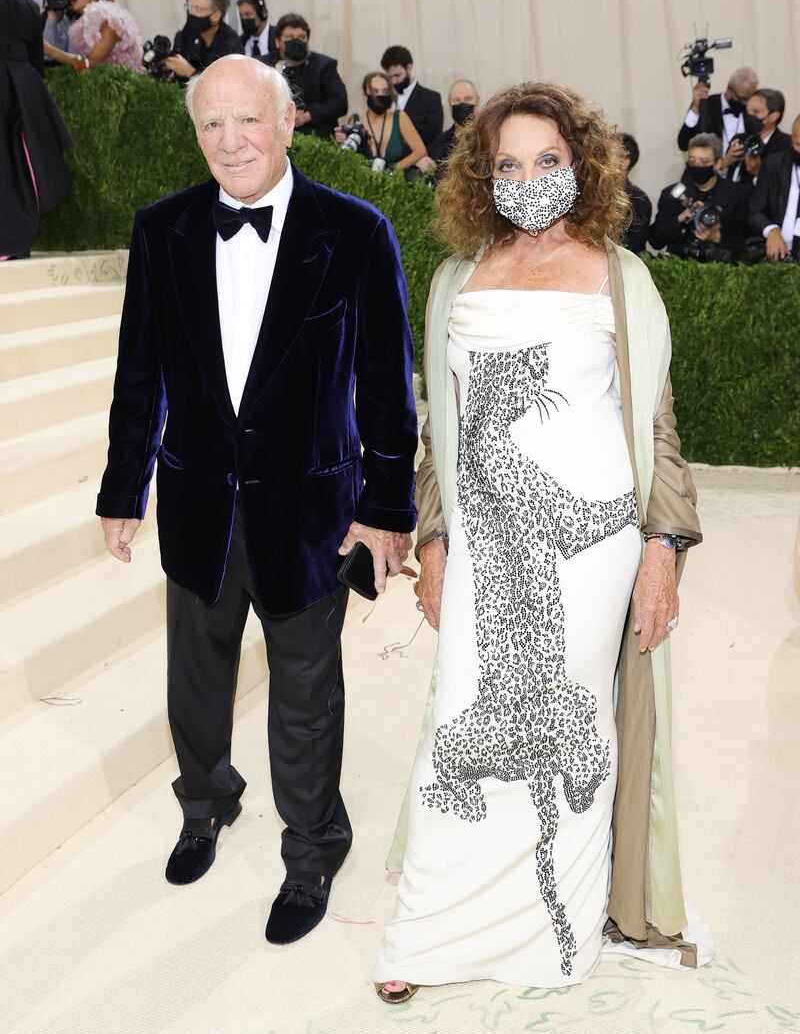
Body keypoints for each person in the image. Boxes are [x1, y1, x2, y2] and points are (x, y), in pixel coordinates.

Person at [375, 81, 707, 1003]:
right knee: (461, 721)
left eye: (547, 161)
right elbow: (437, 426)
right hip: (483, 544)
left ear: (581, 167)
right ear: (483, 176)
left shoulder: (621, 276)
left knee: (573, 720)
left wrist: (660, 546)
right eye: (507, 164)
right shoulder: (455, 280)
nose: (527, 179)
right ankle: (431, 930)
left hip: (594, 544)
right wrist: (434, 540)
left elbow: (660, 428)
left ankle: (553, 932)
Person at [95, 54, 417, 946]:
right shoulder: (161, 229)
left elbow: (389, 389)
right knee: (195, 680)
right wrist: (125, 488)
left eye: (248, 121)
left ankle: (313, 848)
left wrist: (388, 508)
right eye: (211, 124)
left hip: (310, 513)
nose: (230, 141)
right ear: (194, 134)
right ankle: (205, 804)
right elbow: (139, 373)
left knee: (306, 694)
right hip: (198, 500)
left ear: (287, 125)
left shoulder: (356, 231)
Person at [1, 0, 71, 260]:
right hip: (22, 89)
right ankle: (14, 240)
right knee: (19, 166)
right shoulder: (26, 5)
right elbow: (36, 61)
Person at [649, 133, 750, 261]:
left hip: (721, 270)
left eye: (704, 162)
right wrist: (679, 219)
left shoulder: (737, 194)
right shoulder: (672, 194)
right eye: (692, 161)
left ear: (718, 163)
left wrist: (717, 237)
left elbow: (745, 242)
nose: (697, 166)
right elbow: (655, 240)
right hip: (678, 268)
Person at [271, 12, 346, 139]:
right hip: (275, 137)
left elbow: (340, 103)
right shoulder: (264, 66)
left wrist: (307, 116)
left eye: (302, 37)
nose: (296, 41)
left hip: (315, 138)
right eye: (290, 37)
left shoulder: (324, 66)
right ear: (278, 42)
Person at [677, 67, 758, 180]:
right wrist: (695, 109)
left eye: (750, 98)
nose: (746, 103)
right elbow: (683, 143)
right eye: (742, 99)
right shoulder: (706, 105)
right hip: (707, 182)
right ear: (729, 91)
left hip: (742, 183)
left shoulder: (753, 111)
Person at [334, 71, 426, 171]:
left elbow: (420, 151)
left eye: (385, 91)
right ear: (365, 96)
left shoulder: (399, 117)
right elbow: (346, 156)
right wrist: (341, 140)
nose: (381, 96)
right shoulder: (355, 120)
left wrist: (393, 169)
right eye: (375, 91)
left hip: (395, 182)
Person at [42, 0, 143, 70]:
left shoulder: (110, 18)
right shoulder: (73, 22)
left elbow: (89, 65)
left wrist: (51, 51)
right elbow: (47, 58)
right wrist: (53, 18)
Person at [748, 115, 800, 261]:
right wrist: (771, 230)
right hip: (779, 258)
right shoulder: (774, 165)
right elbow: (755, 211)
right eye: (797, 144)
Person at [166, 0, 243, 83]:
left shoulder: (231, 46)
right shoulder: (186, 35)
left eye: (198, 8)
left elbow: (227, 87)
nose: (190, 12)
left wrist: (191, 73)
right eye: (190, 6)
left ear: (215, 16)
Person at [380, 44, 443, 153]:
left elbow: (433, 135)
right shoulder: (384, 99)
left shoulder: (431, 99)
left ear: (409, 68)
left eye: (397, 75)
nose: (393, 81)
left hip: (419, 164)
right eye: (390, 77)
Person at [418, 79, 480, 177]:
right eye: (456, 100)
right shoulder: (438, 143)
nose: (462, 104)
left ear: (478, 100)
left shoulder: (489, 136)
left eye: (468, 99)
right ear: (450, 105)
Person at [740, 89, 792, 185]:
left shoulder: (788, 145)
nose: (749, 116)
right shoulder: (739, 139)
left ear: (773, 116)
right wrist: (726, 163)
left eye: (755, 112)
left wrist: (759, 173)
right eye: (747, 111)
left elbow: (784, 186)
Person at [618, 132, 651, 254]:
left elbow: (634, 246)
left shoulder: (638, 199)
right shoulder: (590, 193)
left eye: (608, 152)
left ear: (625, 161)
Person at [238, 0, 276, 64]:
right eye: (241, 15)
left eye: (248, 14)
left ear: (262, 14)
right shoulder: (239, 42)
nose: (244, 19)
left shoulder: (278, 38)